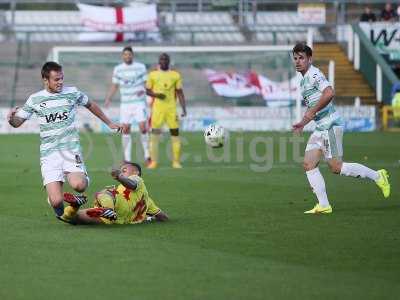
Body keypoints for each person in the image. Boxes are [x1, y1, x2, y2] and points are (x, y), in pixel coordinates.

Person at [7, 61, 122, 221]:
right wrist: (11, 118)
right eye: (56, 79)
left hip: (70, 150)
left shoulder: (72, 92)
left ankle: (83, 178)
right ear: (45, 80)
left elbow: (91, 105)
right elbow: (18, 122)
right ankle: (63, 214)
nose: (60, 82)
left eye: (62, 78)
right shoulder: (35, 99)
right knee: (56, 201)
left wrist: (109, 123)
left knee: (79, 186)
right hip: (49, 155)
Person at [291, 43, 390, 214]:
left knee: (336, 167)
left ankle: (378, 176)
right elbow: (313, 105)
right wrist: (303, 122)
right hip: (320, 127)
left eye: (301, 58)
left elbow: (329, 93)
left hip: (330, 125)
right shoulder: (303, 80)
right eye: (295, 58)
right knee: (308, 164)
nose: (298, 61)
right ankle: (323, 205)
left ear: (309, 59)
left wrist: (311, 112)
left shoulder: (314, 74)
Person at [62, 161, 169, 224]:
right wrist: (150, 218)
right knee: (72, 218)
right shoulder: (148, 202)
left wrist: (119, 176)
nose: (122, 171)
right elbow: (163, 217)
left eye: (124, 170)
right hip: (114, 219)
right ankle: (74, 206)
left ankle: (107, 209)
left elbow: (133, 184)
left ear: (136, 172)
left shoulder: (137, 179)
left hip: (113, 206)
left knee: (106, 192)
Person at [105, 46, 151, 165]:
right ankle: (127, 159)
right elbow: (115, 85)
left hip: (139, 102)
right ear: (122, 56)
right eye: (125, 54)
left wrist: (146, 91)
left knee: (143, 127)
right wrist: (109, 98)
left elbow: (147, 83)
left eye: (129, 54)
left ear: (132, 55)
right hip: (125, 104)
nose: (127, 56)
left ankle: (147, 156)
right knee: (125, 130)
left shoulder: (140, 67)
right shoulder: (118, 69)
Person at [145, 53, 187, 169]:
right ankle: (153, 162)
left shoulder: (175, 75)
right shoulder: (153, 75)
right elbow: (147, 90)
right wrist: (157, 95)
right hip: (157, 110)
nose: (163, 61)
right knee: (154, 136)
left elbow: (180, 92)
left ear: (169, 61)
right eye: (161, 59)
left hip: (171, 109)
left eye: (165, 59)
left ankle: (176, 162)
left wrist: (184, 108)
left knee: (175, 134)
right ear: (159, 61)